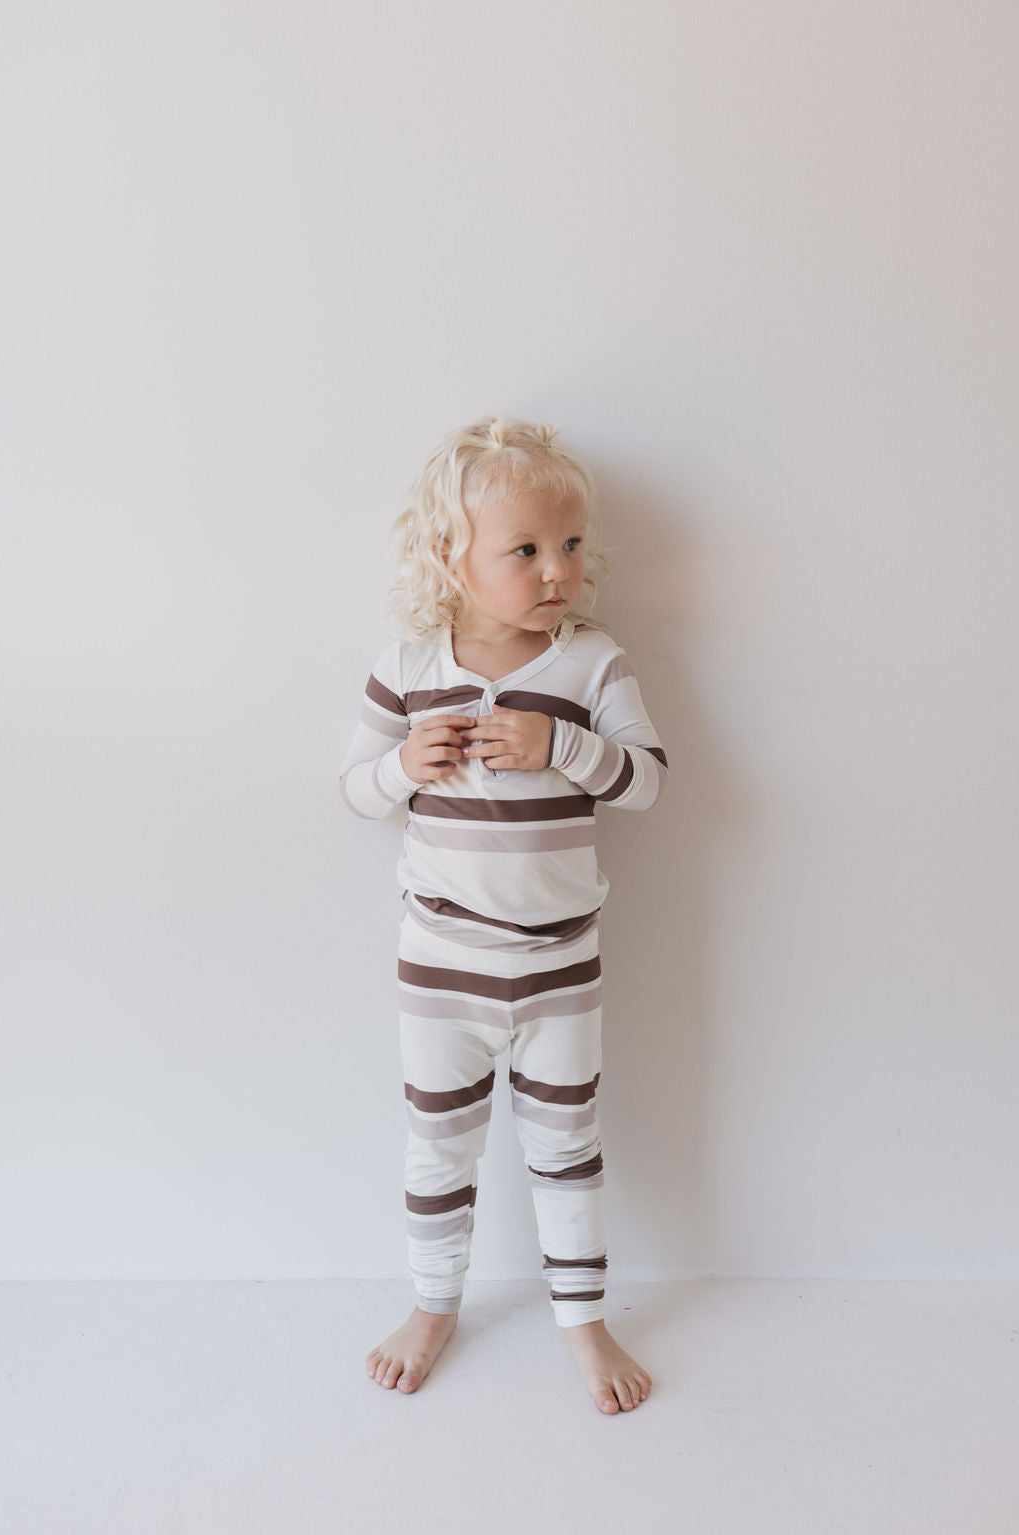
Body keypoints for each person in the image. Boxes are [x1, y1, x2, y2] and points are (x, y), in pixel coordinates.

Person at [339, 415, 667, 1415]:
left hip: (563, 962)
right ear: (451, 557)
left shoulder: (591, 663)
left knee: (567, 1143)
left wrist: (563, 749)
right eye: (524, 549)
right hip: (440, 960)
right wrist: (403, 765)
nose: (555, 569)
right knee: (439, 1142)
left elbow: (647, 783)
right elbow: (354, 788)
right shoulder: (408, 665)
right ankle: (434, 1301)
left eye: (569, 544)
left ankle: (582, 1316)